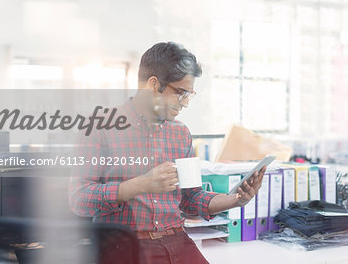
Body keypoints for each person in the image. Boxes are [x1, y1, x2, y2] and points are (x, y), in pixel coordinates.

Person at [69, 42, 267, 264]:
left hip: (176, 239)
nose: (185, 104)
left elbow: (191, 198)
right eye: (181, 93)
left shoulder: (180, 133)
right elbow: (80, 199)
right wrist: (140, 185)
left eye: (189, 95)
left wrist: (234, 200)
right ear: (154, 85)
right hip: (123, 244)